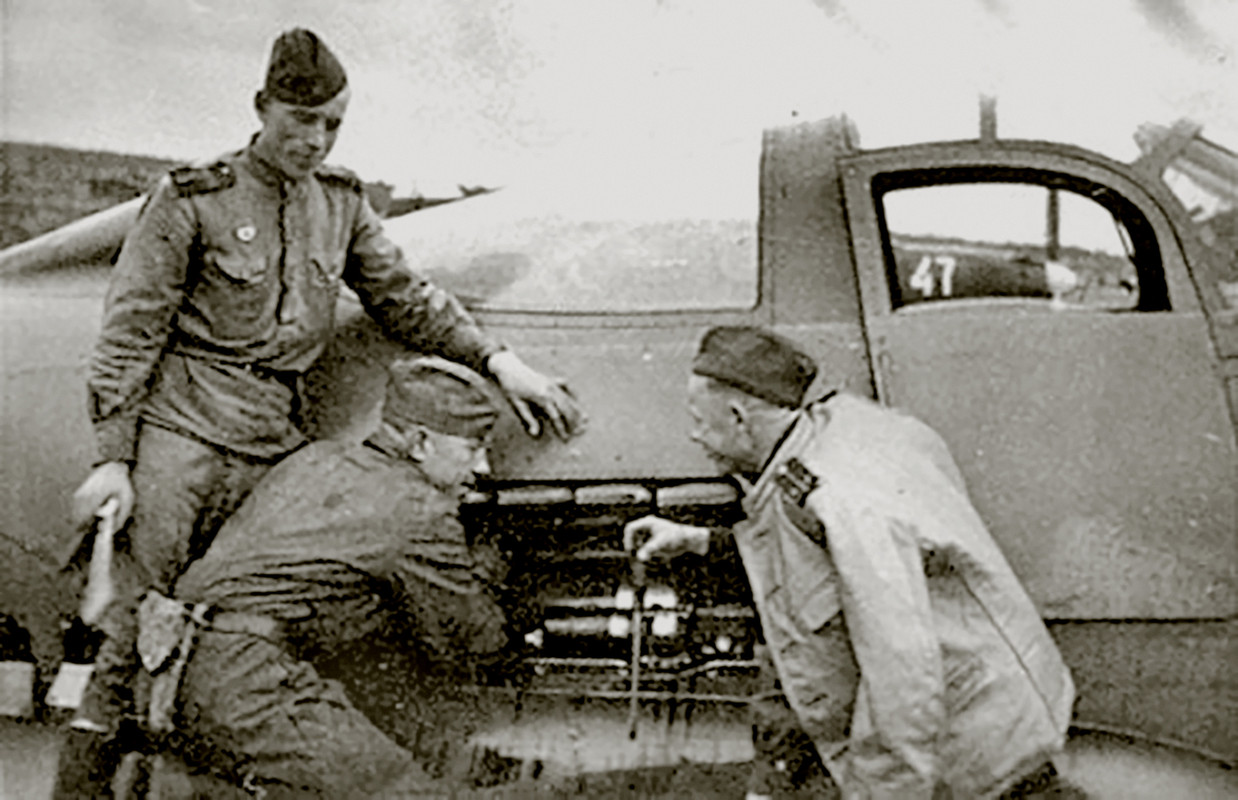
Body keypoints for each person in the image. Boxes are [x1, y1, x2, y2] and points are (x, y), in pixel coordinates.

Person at [58, 26, 582, 795]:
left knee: (258, 626)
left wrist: (498, 360)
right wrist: (114, 456)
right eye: (301, 120)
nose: (316, 139)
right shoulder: (194, 198)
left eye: (332, 124)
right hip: (183, 436)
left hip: (272, 442)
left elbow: (404, 297)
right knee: (135, 631)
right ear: (262, 108)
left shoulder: (340, 202)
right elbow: (131, 330)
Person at [623, 326, 1079, 800]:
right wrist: (700, 542)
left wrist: (883, 791)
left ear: (739, 417)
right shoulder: (837, 432)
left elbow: (901, 672)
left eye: (699, 420)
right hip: (988, 706)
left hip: (970, 754)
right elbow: (815, 557)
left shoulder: (842, 500)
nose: (694, 435)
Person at [92, 356, 512, 798]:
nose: (481, 467)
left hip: (169, 671)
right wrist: (489, 568)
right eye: (472, 449)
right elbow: (475, 642)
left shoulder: (315, 458)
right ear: (421, 442)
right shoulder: (419, 508)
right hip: (249, 682)